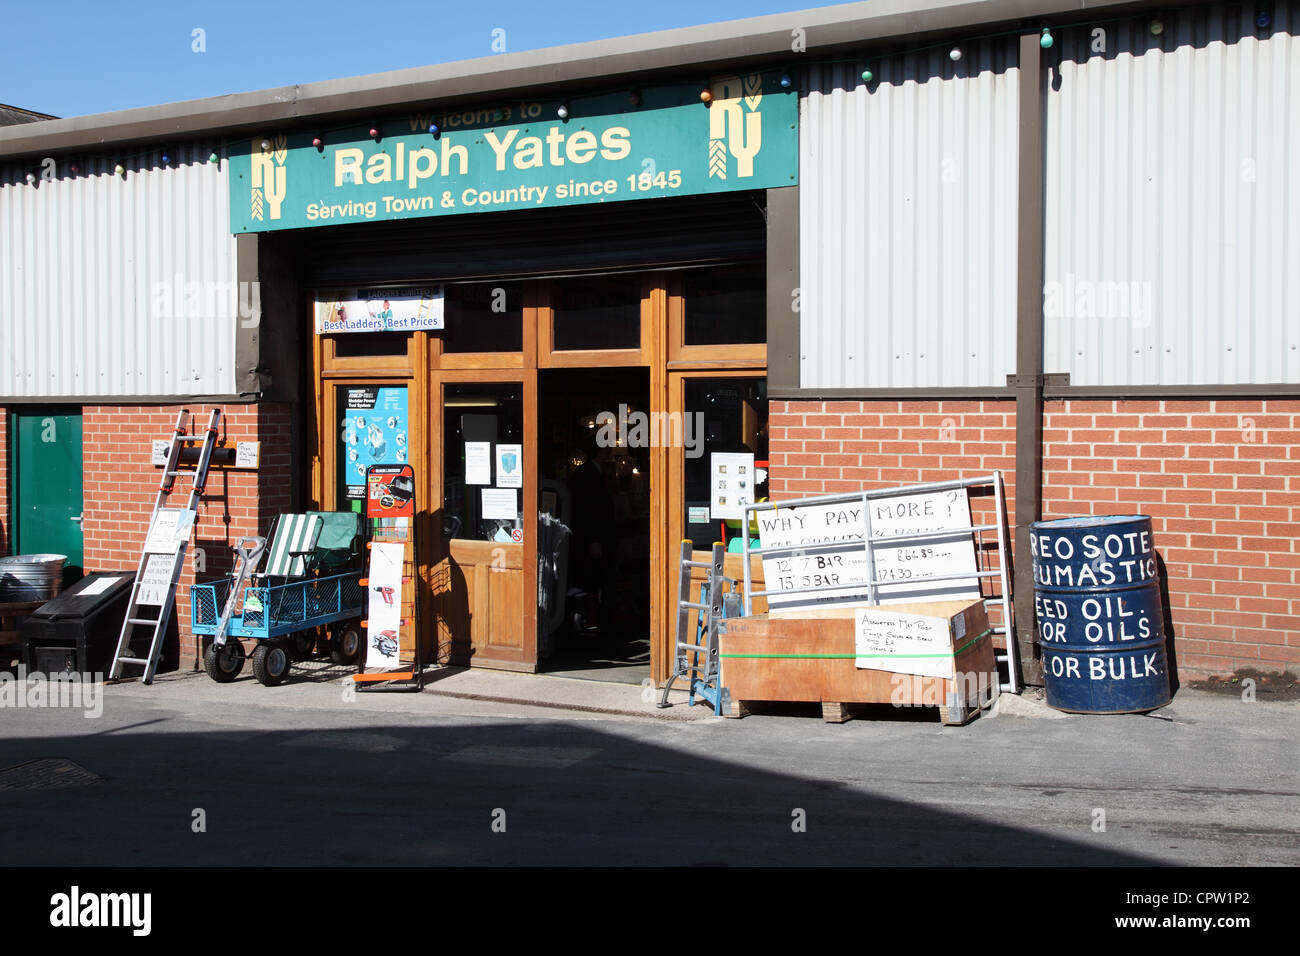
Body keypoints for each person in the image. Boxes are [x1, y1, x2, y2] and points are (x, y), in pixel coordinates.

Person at [567, 429, 617, 634]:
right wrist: (594, 540)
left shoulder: (592, 473)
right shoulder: (589, 475)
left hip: (592, 538)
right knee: (593, 580)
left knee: (594, 580)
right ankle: (592, 621)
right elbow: (589, 510)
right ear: (601, 452)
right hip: (592, 540)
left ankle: (594, 620)